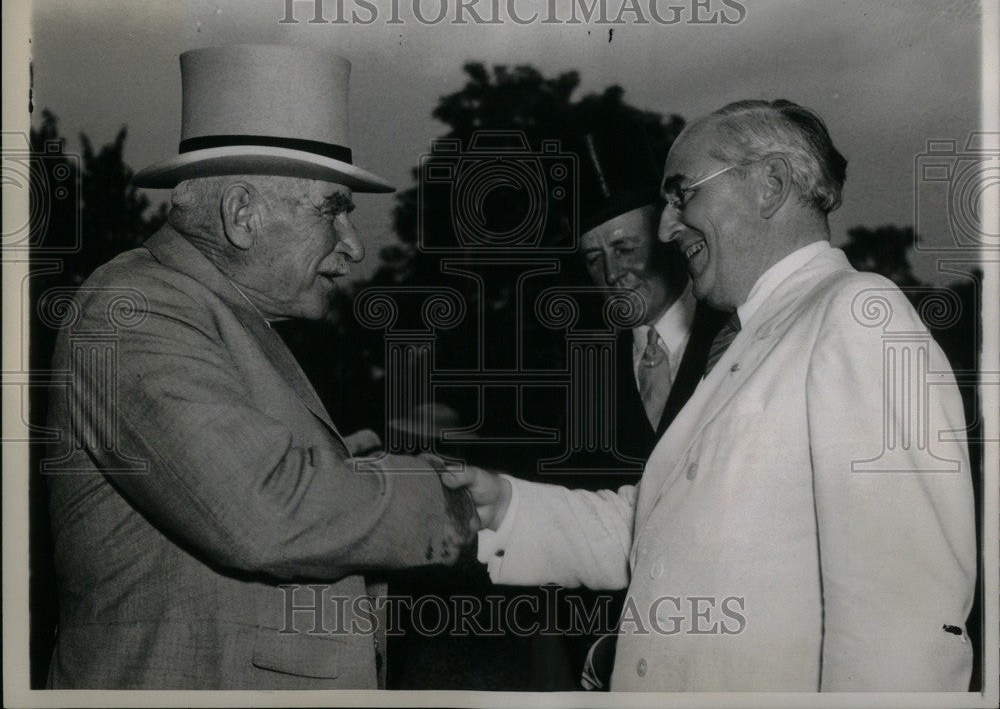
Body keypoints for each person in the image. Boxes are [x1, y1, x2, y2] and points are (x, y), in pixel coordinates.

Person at [444, 99, 977, 691]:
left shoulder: (855, 316)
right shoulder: (755, 338)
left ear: (769, 186)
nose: (668, 227)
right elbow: (653, 524)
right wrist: (507, 505)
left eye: (683, 195)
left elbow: (903, 621)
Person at [44, 44, 478, 689]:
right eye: (333, 209)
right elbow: (265, 513)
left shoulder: (211, 317)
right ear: (242, 214)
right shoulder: (130, 312)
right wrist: (450, 501)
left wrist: (352, 468)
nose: (354, 246)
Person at [575, 123, 726, 476]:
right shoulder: (585, 379)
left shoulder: (735, 334)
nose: (612, 273)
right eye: (594, 260)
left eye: (625, 248)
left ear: (667, 237)